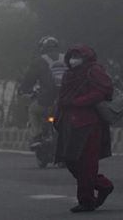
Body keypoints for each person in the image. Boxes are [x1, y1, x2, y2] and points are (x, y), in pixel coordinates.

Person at [55, 45, 114, 213]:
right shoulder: (69, 74)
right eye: (71, 56)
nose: (73, 59)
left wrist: (77, 101)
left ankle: (86, 201)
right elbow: (62, 97)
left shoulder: (94, 71)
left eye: (77, 56)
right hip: (69, 123)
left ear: (86, 57)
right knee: (71, 161)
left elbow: (103, 92)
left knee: (87, 164)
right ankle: (103, 185)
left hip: (90, 124)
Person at [19, 36, 67, 148]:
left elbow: (29, 79)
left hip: (48, 100)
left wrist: (23, 90)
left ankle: (37, 136)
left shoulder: (39, 61)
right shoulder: (66, 59)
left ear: (42, 48)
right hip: (69, 99)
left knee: (33, 110)